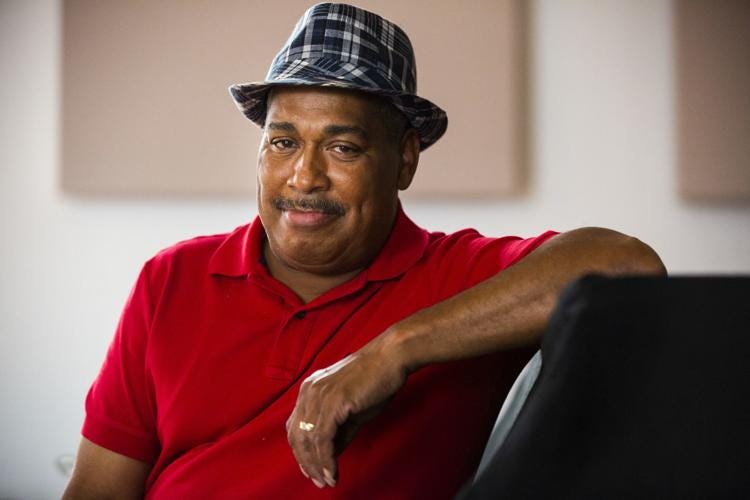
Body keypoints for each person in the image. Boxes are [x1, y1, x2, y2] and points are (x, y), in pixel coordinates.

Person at [63, 3, 665, 499]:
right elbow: (97, 489)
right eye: (282, 142)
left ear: (404, 160)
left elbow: (626, 265)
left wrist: (393, 350)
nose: (304, 176)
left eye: (343, 148)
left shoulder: (459, 279)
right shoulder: (171, 277)